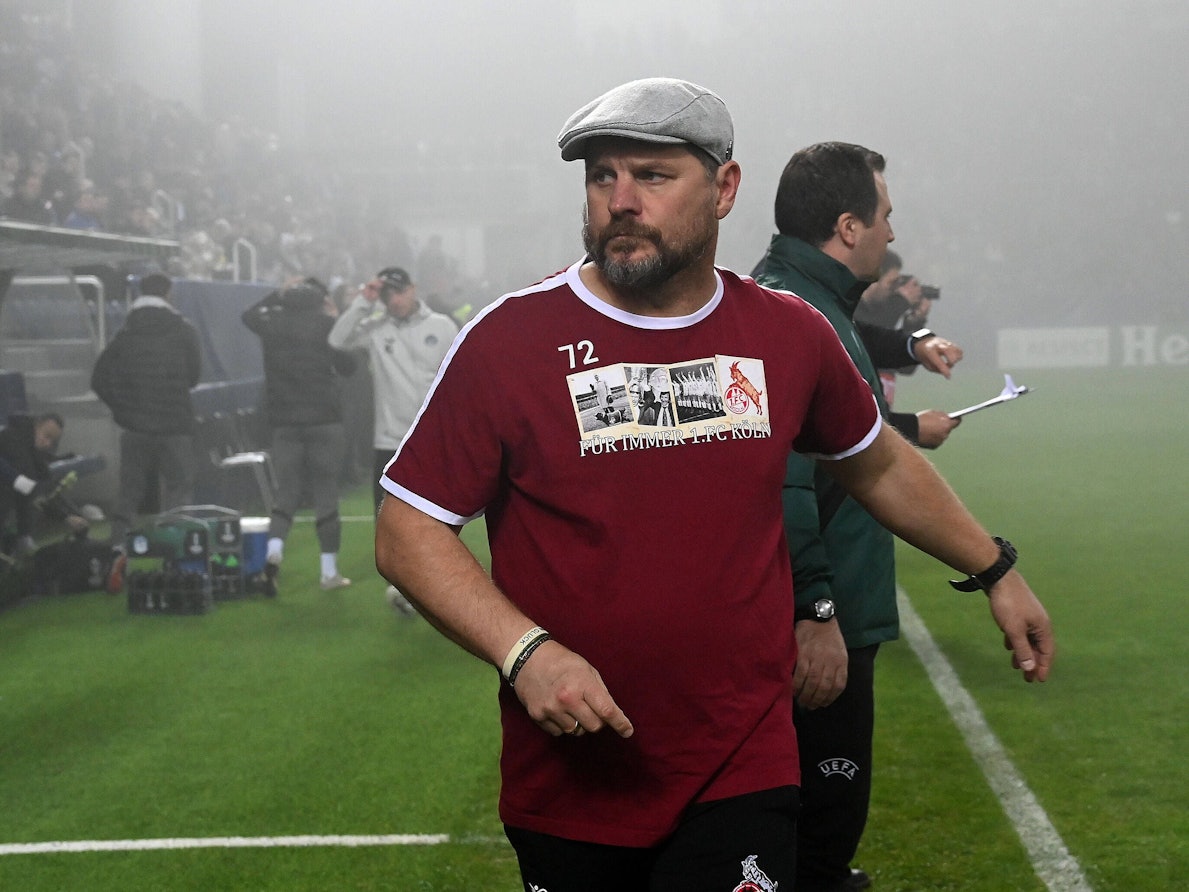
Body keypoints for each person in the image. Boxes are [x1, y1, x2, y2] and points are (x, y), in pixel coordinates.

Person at [371, 78, 1054, 892]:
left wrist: (994, 569)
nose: (619, 201)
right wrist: (525, 653)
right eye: (600, 177)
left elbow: (872, 460)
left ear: (724, 189)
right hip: (573, 780)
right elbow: (405, 528)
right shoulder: (510, 342)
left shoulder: (785, 333)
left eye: (651, 177)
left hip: (743, 759)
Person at [753, 141, 965, 891]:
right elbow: (786, 477)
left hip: (832, 604)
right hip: (821, 612)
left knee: (815, 837)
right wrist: (815, 606)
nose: (891, 234)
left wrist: (909, 340)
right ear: (848, 226)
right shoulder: (790, 314)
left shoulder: (806, 304)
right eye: (885, 217)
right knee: (812, 836)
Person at [327, 265, 455, 613]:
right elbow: (337, 340)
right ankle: (404, 587)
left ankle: (432, 585)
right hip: (388, 442)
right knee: (389, 522)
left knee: (436, 519)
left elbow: (461, 375)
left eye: (399, 292)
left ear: (413, 288)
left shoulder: (442, 326)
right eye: (388, 295)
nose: (395, 300)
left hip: (432, 440)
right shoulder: (374, 327)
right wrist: (363, 303)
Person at [242, 278, 358, 594]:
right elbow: (349, 367)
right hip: (324, 420)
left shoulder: (273, 324)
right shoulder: (326, 325)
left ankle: (274, 551)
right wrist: (335, 320)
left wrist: (275, 292)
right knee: (325, 492)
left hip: (284, 422)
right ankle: (329, 571)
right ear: (319, 302)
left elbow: (247, 315)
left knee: (287, 491)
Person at [90, 272, 201, 590]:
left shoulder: (125, 333)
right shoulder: (184, 330)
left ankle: (117, 553)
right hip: (174, 424)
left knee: (129, 495)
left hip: (136, 428)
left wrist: (125, 412)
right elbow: (194, 376)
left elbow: (99, 380)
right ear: (168, 293)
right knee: (178, 488)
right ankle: (175, 555)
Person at [0, 412, 89, 556]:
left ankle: (22, 538)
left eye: (52, 441)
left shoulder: (31, 449)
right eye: (46, 436)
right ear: (37, 425)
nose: (47, 443)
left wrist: (67, 515)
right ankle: (21, 540)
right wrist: (65, 516)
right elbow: (34, 487)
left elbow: (43, 486)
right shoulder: (12, 439)